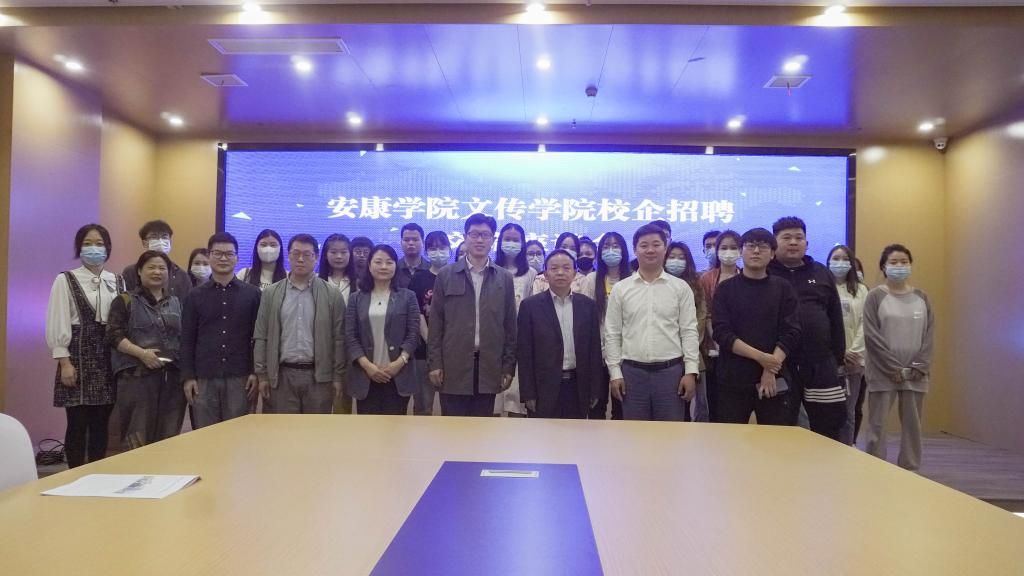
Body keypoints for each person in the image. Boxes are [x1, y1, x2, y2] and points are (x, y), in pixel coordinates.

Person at [46, 224, 124, 468]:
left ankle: (97, 472)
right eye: (88, 243)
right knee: (77, 423)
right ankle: (75, 474)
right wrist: (64, 362)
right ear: (79, 247)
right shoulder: (65, 279)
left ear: (108, 248)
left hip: (108, 359)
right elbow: (57, 320)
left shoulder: (117, 281)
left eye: (99, 244)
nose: (94, 248)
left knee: (101, 423)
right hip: (77, 358)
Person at [604, 223, 699, 421]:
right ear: (635, 249)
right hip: (632, 374)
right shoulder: (621, 289)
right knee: (635, 434)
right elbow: (612, 333)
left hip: (671, 374)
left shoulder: (680, 288)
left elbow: (689, 331)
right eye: (644, 245)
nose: (650, 250)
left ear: (665, 248)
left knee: (670, 433)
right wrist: (615, 372)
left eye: (656, 244)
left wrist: (691, 372)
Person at [428, 213, 516, 417]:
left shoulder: (504, 278)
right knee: (453, 428)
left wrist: (508, 366)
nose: (479, 240)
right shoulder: (446, 275)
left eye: (485, 235)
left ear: (493, 239)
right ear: (465, 237)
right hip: (453, 366)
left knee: (483, 428)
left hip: (489, 366)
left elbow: (510, 327)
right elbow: (436, 324)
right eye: (474, 234)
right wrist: (435, 363)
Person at [768, 216, 848, 441]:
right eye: (786, 238)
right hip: (780, 366)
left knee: (828, 426)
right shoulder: (766, 273)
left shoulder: (821, 272)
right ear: (774, 243)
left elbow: (835, 317)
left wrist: (838, 358)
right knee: (779, 427)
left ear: (807, 243)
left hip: (820, 363)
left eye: (799, 237)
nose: (793, 242)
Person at [713, 228, 801, 426]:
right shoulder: (725, 289)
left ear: (772, 253)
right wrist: (762, 358)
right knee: (730, 439)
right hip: (733, 379)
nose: (756, 251)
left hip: (774, 378)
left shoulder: (783, 288)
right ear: (741, 251)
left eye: (763, 246)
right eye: (750, 246)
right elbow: (722, 333)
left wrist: (770, 369)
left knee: (775, 438)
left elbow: (792, 331)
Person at [254, 234, 346, 414]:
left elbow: (339, 339)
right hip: (281, 376)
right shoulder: (271, 293)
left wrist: (337, 376)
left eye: (307, 254)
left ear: (316, 257)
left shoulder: (332, 294)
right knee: (283, 429)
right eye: (295, 254)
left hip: (319, 377)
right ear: (288, 256)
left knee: (316, 429)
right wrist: (262, 375)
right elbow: (261, 335)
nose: (301, 259)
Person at [863, 244, 934, 471]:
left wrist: (919, 365)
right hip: (883, 372)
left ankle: (910, 468)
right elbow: (871, 335)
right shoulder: (875, 297)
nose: (899, 266)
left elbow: (929, 334)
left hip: (916, 373)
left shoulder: (921, 297)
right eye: (894, 262)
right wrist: (892, 367)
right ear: (884, 266)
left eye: (904, 262)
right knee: (878, 425)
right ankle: (875, 469)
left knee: (913, 426)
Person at [179, 233, 261, 429]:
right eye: (217, 253)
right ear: (209, 256)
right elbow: (187, 339)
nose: (223, 258)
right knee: (205, 434)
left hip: (240, 377)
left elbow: (257, 337)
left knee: (238, 434)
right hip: (204, 377)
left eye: (229, 254)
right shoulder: (194, 296)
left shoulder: (252, 294)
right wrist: (188, 377)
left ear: (237, 258)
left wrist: (254, 372)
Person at [107, 250, 185, 449]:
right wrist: (142, 354)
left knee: (169, 438)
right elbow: (113, 335)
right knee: (136, 438)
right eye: (151, 267)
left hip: (171, 381)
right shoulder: (125, 300)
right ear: (139, 271)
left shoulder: (176, 303)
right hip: (136, 379)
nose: (157, 272)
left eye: (162, 268)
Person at [517, 250, 602, 419]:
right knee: (543, 434)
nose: (560, 272)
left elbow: (594, 351)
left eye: (566, 268)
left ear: (574, 274)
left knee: (575, 434)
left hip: (578, 386)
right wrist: (528, 393)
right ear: (545, 274)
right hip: (543, 388)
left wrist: (594, 389)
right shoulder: (530, 306)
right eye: (554, 268)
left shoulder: (588, 306)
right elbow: (525, 353)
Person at [344, 245, 421, 415]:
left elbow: (413, 333)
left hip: (398, 373)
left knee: (395, 425)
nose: (384, 267)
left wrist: (399, 362)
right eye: (378, 262)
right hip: (366, 375)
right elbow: (350, 336)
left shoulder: (408, 296)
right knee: (368, 427)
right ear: (369, 266)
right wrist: (367, 366)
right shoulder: (356, 299)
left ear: (395, 266)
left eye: (389, 262)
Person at [580, 231, 631, 420]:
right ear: (600, 252)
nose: (611, 251)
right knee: (596, 406)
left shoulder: (633, 279)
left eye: (615, 246)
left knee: (622, 407)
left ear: (624, 251)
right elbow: (584, 317)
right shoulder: (591, 280)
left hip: (625, 354)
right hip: (596, 353)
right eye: (606, 247)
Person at [698, 230, 742, 422]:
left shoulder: (747, 275)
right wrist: (718, 342)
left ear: (741, 250)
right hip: (714, 351)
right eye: (724, 248)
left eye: (733, 247)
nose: (728, 252)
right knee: (716, 403)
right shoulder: (707, 279)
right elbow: (706, 314)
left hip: (744, 350)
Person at [494, 222, 537, 416]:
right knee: (492, 400)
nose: (511, 243)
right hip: (494, 341)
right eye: (507, 239)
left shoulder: (531, 274)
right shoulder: (491, 269)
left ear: (522, 243)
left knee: (516, 401)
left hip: (520, 342)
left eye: (515, 240)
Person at [408, 231, 452, 415]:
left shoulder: (457, 275)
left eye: (442, 247)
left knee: (451, 405)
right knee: (423, 405)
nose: (438, 252)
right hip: (423, 351)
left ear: (449, 249)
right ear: (426, 252)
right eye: (433, 248)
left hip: (452, 351)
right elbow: (416, 313)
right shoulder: (419, 278)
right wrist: (432, 342)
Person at [828, 245, 868, 445]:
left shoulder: (861, 290)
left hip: (853, 361)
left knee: (848, 412)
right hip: (829, 359)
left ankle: (846, 450)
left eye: (845, 259)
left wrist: (853, 352)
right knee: (827, 411)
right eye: (836, 258)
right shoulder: (823, 287)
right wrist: (838, 352)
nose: (840, 262)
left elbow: (865, 323)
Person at [665, 241, 708, 421]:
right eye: (672, 257)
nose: (676, 261)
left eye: (681, 258)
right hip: (665, 354)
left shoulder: (696, 284)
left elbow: (701, 317)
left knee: (690, 404)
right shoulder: (656, 284)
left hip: (690, 352)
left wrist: (686, 342)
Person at [318, 233, 358, 415]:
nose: (339, 256)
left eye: (344, 252)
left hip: (349, 352)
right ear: (326, 255)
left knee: (342, 406)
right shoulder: (316, 281)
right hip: (321, 349)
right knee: (318, 405)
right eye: (334, 252)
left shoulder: (360, 283)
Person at [122, 220, 192, 300]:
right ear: (144, 243)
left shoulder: (182, 276)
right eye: (154, 237)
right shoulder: (130, 272)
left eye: (164, 237)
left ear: (170, 242)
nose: (160, 241)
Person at [396, 223, 430, 289]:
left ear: (423, 243)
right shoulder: (394, 269)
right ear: (401, 243)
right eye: (406, 240)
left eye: (415, 240)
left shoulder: (431, 269)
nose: (411, 243)